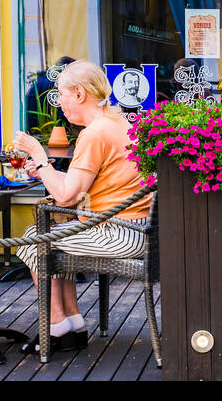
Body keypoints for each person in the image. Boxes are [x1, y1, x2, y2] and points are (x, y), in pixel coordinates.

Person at [13, 60, 152, 353]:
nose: (58, 102)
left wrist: (39, 155)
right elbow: (85, 183)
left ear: (78, 94)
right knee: (53, 237)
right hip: (138, 228)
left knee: (33, 241)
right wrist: (44, 171)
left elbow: (66, 198)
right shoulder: (118, 124)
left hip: (119, 233)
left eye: (61, 94)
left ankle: (56, 327)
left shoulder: (94, 134)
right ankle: (72, 324)